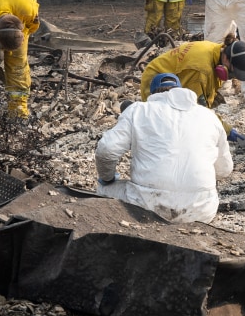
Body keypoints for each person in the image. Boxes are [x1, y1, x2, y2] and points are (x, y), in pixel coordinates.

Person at [95, 73, 233, 223]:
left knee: (103, 189)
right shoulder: (209, 116)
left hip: (147, 206)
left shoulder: (139, 110)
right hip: (201, 211)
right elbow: (225, 170)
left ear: (153, 93)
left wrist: (107, 178)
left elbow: (106, 150)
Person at [139, 34, 245, 142]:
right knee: (175, 125)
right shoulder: (200, 71)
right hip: (157, 82)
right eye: (232, 72)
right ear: (226, 59)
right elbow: (198, 110)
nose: (231, 76)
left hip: (178, 74)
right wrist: (226, 131)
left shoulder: (217, 50)